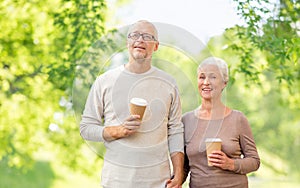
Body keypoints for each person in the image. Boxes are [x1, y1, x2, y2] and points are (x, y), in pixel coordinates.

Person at [80, 20, 184, 188]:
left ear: (156, 46)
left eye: (147, 36)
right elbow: (86, 128)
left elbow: (176, 130)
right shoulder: (105, 81)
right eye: (134, 35)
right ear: (127, 42)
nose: (140, 40)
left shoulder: (168, 83)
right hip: (115, 182)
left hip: (158, 182)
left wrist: (178, 174)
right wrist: (118, 130)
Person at [182, 57, 260, 188]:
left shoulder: (238, 119)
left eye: (213, 77)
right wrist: (174, 181)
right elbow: (184, 166)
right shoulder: (186, 120)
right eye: (202, 77)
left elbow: (254, 161)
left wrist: (230, 163)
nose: (206, 82)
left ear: (224, 82)